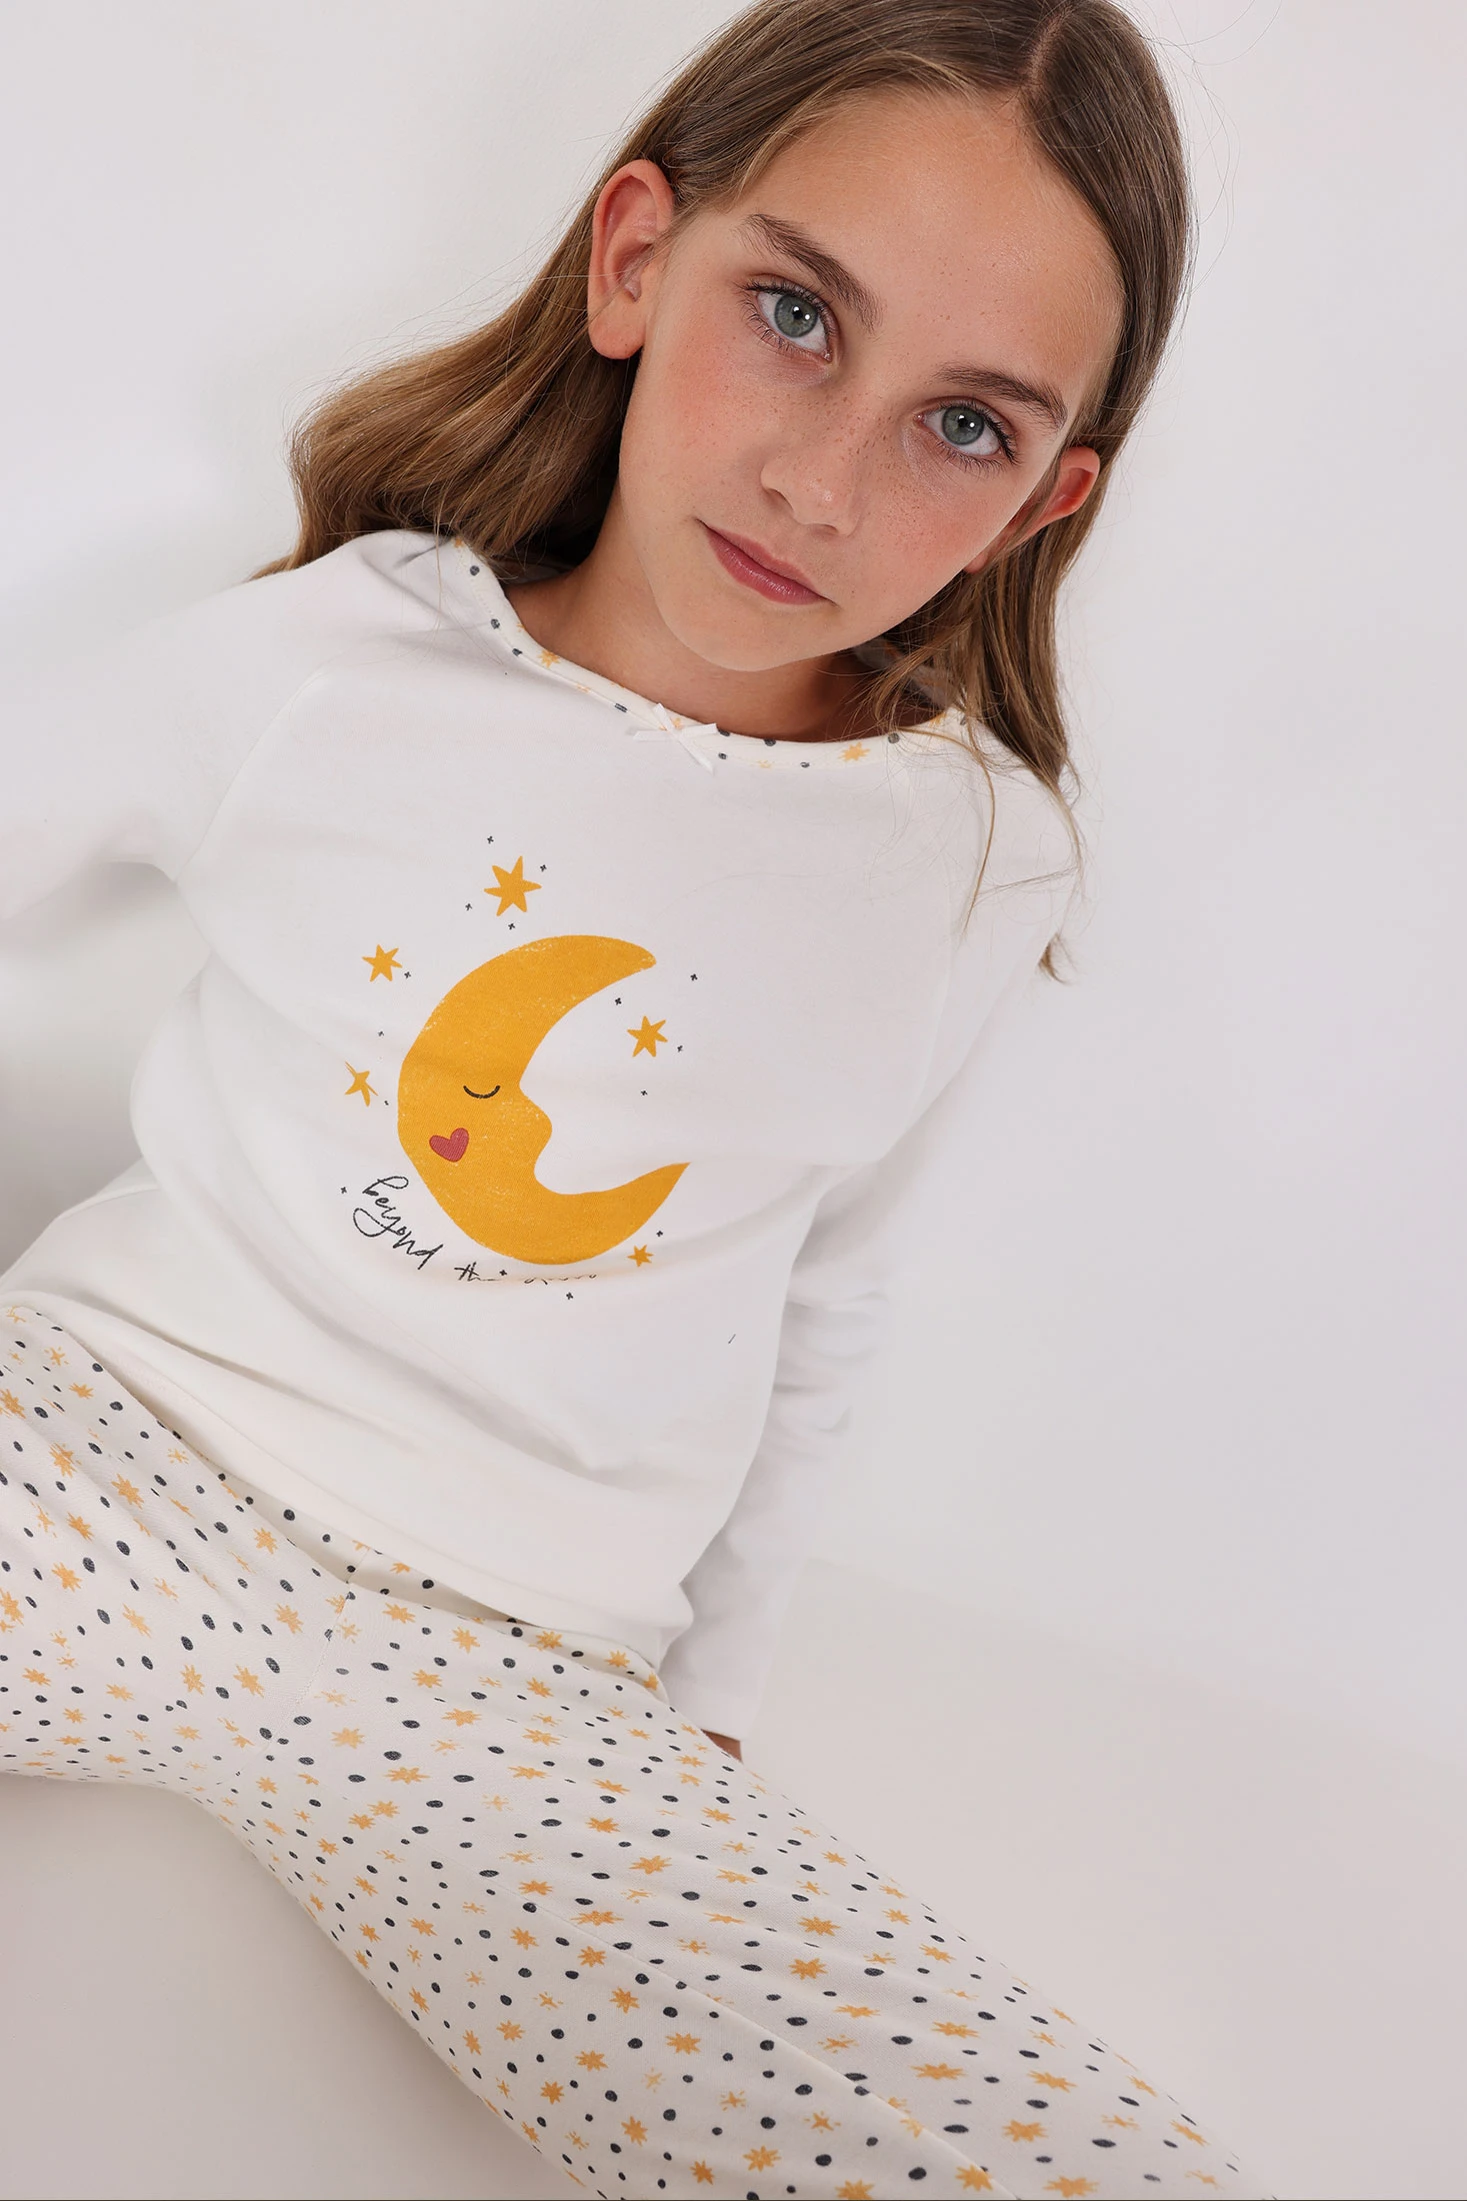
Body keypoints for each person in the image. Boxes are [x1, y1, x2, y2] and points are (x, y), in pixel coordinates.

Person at [0, 3, 1273, 2195]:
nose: (822, 479)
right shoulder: (320, 666)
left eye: (961, 424)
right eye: (796, 315)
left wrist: (711, 1708)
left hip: (510, 1685)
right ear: (633, 262)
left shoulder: (977, 858)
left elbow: (828, 1295)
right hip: (97, 1461)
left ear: (1044, 500)